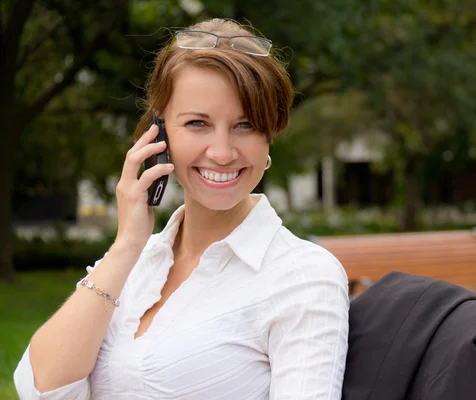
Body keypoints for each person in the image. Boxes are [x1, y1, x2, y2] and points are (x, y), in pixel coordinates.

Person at [14, 18, 349, 400]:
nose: (222, 152)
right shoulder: (137, 260)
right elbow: (41, 389)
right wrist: (126, 245)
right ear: (159, 132)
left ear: (270, 134)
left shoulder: (301, 276)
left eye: (245, 125)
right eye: (197, 123)